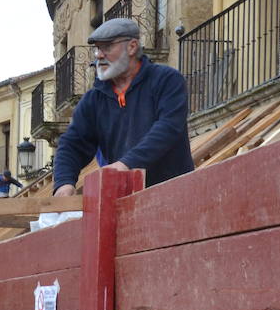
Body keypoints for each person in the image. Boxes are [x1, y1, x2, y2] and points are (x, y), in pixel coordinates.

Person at [52, 17, 193, 197]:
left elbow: (167, 128)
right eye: (97, 49)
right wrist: (64, 182)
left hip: (173, 194)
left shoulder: (167, 80)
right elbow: (73, 143)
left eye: (107, 47)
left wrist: (127, 163)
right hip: (124, 198)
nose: (99, 55)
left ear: (132, 47)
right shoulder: (94, 99)